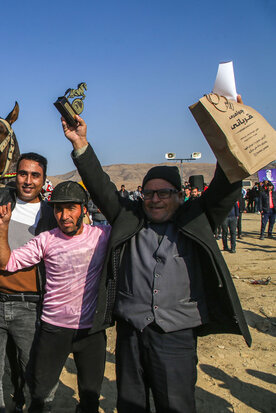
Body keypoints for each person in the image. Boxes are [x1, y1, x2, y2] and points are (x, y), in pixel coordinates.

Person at [61, 111, 251, 413]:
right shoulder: (129, 218)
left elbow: (225, 186)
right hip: (131, 335)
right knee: (131, 405)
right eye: (149, 192)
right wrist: (81, 143)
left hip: (176, 337)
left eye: (164, 192)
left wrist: (232, 129)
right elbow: (100, 185)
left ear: (179, 195)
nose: (155, 199)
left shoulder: (197, 219)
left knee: (175, 405)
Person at [0, 181, 110, 413]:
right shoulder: (46, 240)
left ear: (84, 209)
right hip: (54, 329)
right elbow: (6, 263)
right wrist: (2, 228)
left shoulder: (102, 236)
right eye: (58, 209)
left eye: (71, 208)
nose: (64, 215)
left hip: (92, 332)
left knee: (90, 398)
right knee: (40, 395)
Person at [0, 152, 57, 412]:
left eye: (35, 175)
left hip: (30, 307)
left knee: (34, 375)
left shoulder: (51, 215)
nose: (28, 181)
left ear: (43, 179)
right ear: (14, 176)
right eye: (23, 173)